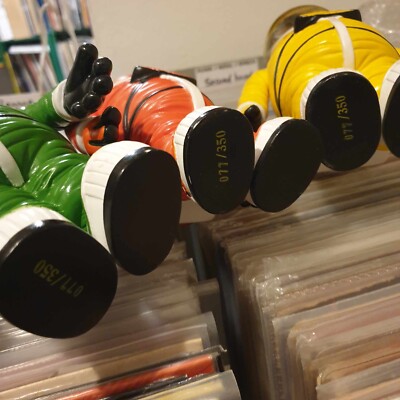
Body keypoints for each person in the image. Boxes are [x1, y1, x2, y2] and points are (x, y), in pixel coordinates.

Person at [0, 43, 181, 338]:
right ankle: (32, 247)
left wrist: (61, 102)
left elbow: (33, 114)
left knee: (77, 180)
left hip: (45, 157)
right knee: (15, 217)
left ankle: (110, 192)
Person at [67, 66, 322, 214]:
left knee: (172, 138)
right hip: (188, 96)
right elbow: (84, 134)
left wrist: (89, 138)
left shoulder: (107, 97)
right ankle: (255, 151)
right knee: (216, 137)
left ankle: (215, 169)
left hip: (145, 102)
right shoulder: (108, 96)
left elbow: (82, 134)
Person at [238, 8, 400, 171]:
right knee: (385, 78)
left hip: (308, 56)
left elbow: (255, 88)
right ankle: (387, 97)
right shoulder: (350, 23)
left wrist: (250, 112)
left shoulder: (277, 58)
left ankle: (320, 109)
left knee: (302, 88)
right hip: (367, 41)